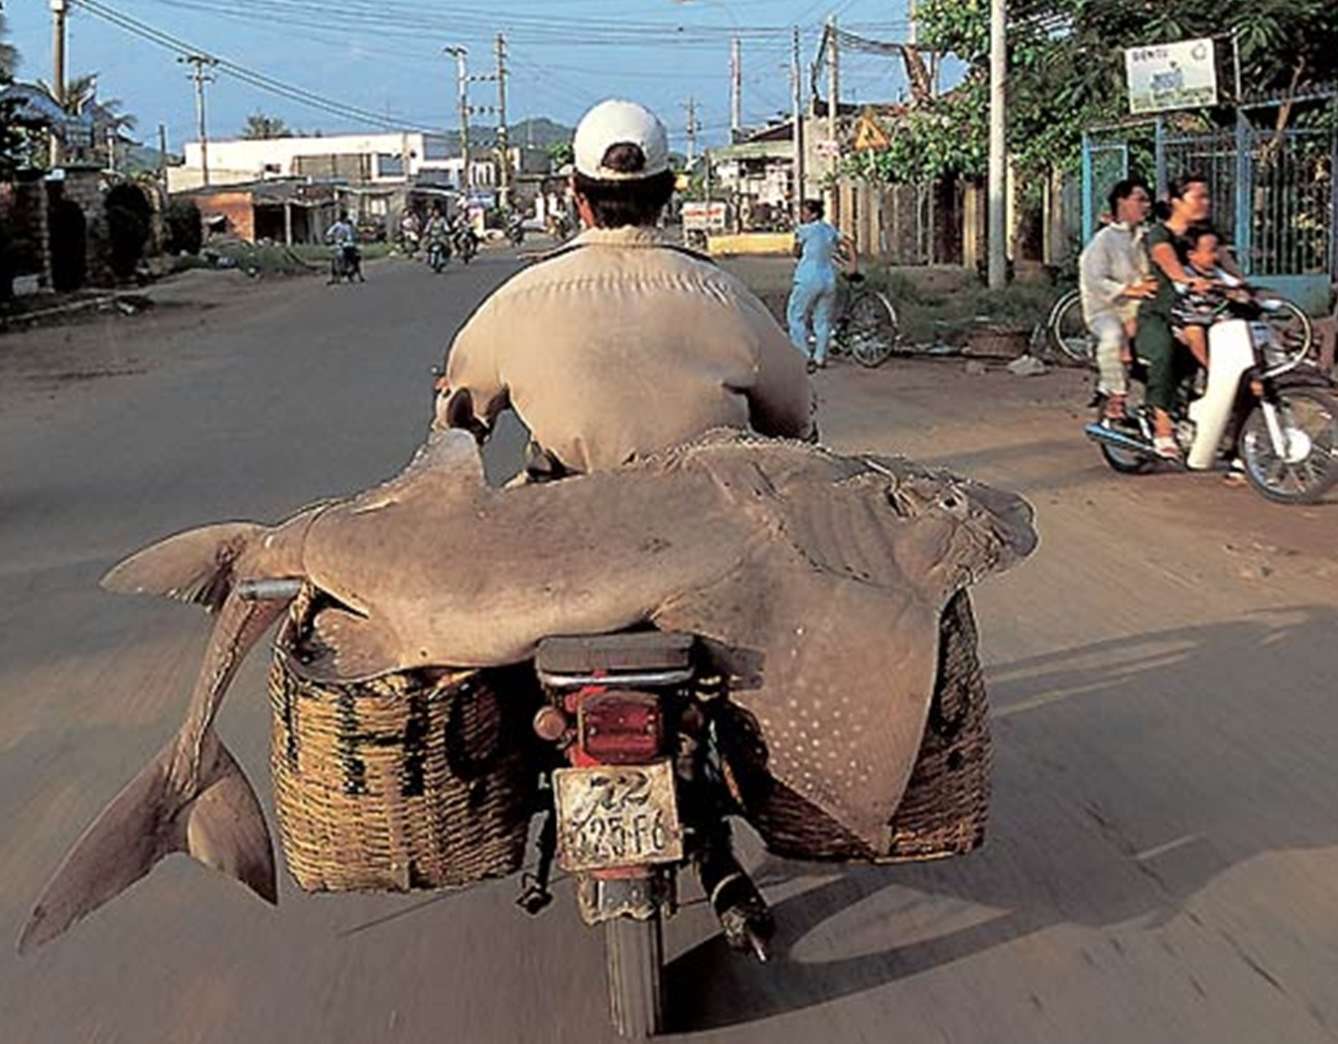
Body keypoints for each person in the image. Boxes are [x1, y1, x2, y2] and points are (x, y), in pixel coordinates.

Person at [436, 97, 813, 480]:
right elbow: (795, 417)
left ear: (577, 196)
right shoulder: (727, 296)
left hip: (566, 515)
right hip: (710, 511)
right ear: (667, 195)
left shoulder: (513, 302)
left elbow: (456, 430)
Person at [1134, 175, 1214, 459]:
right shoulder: (1159, 234)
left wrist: (1245, 287)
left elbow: (1226, 263)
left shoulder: (1205, 234)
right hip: (1160, 315)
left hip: (1201, 314)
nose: (1206, 202)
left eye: (1207, 196)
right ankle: (1163, 429)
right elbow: (1168, 262)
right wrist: (1187, 280)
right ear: (1177, 202)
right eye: (1198, 197)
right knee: (1166, 350)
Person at [1079, 178, 1156, 422]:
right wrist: (1131, 290)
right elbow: (1095, 280)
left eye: (1147, 200)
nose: (1146, 205)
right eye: (1140, 199)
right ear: (1121, 202)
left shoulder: (1145, 238)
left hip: (1140, 309)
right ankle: (1116, 395)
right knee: (1113, 336)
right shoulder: (1104, 240)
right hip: (1106, 311)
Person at [786, 199, 855, 373]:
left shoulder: (804, 230)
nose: (802, 215)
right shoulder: (828, 229)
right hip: (828, 278)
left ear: (814, 214)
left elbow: (796, 252)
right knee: (823, 320)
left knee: (796, 316)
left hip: (807, 278)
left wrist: (798, 245)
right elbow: (848, 242)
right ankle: (820, 357)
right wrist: (853, 265)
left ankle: (803, 355)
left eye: (805, 212)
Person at [1172, 224, 1243, 370]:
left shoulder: (1217, 272)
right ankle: (1209, 368)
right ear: (1192, 254)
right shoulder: (1185, 273)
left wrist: (1229, 288)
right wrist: (1193, 285)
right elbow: (1179, 286)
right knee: (1194, 332)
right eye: (1211, 252)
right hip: (1190, 317)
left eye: (1217, 251)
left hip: (1217, 314)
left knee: (1234, 330)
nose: (1216, 256)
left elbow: (1234, 283)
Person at [324, 211, 361, 284]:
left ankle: (353, 273)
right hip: (339, 245)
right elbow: (329, 234)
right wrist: (331, 240)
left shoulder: (348, 226)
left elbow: (352, 236)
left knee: (355, 257)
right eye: (345, 218)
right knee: (337, 257)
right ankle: (336, 276)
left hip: (349, 245)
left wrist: (354, 240)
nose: (346, 219)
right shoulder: (337, 225)